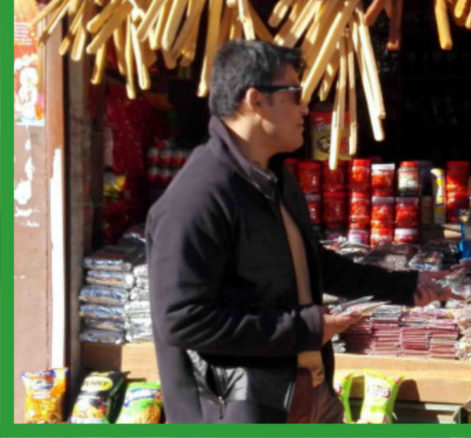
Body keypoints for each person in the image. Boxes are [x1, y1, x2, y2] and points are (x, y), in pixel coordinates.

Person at [146, 40, 448, 423]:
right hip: (241, 408)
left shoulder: (274, 178)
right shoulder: (199, 197)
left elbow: (313, 263)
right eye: (295, 94)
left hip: (307, 391)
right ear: (255, 101)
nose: (306, 108)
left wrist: (406, 287)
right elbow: (183, 319)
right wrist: (306, 327)